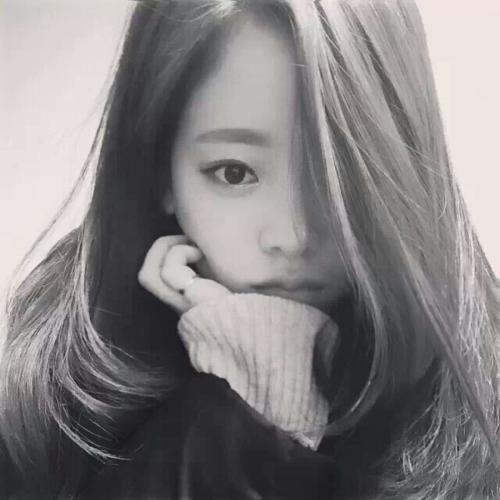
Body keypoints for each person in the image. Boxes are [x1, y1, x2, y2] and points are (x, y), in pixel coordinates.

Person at [1, 0, 499, 498]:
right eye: (235, 173)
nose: (293, 236)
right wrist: (257, 400)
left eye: (337, 173)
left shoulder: (478, 391)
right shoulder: (49, 400)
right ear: (159, 168)